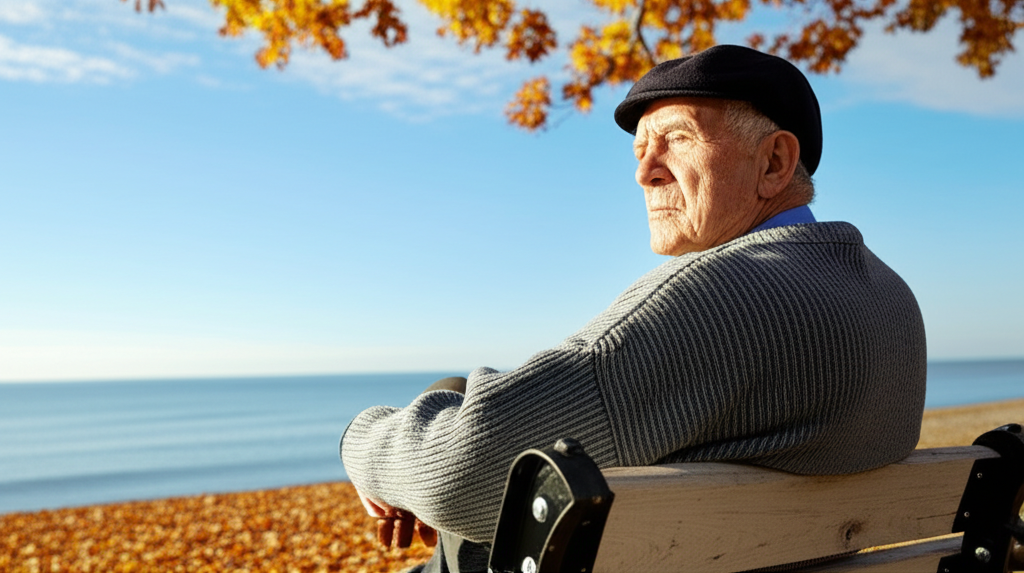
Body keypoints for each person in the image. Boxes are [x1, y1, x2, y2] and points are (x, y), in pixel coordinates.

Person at [340, 44, 927, 572]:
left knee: (445, 411)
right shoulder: (890, 298)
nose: (645, 173)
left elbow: (458, 472)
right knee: (451, 393)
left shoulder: (719, 299)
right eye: (641, 150)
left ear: (774, 162)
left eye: (678, 139)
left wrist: (359, 442)